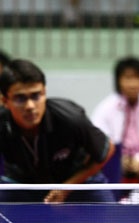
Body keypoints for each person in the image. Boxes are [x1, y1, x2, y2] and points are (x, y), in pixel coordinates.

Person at [0, 59, 116, 203]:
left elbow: (106, 149)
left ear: (44, 93)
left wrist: (67, 187)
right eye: (20, 98)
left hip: (79, 182)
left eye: (36, 96)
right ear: (5, 101)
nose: (30, 106)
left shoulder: (70, 118)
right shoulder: (2, 124)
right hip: (23, 184)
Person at [91, 56, 139, 202]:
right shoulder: (107, 107)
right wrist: (118, 160)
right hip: (114, 167)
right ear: (118, 81)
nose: (133, 84)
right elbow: (98, 137)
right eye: (127, 78)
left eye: (137, 78)